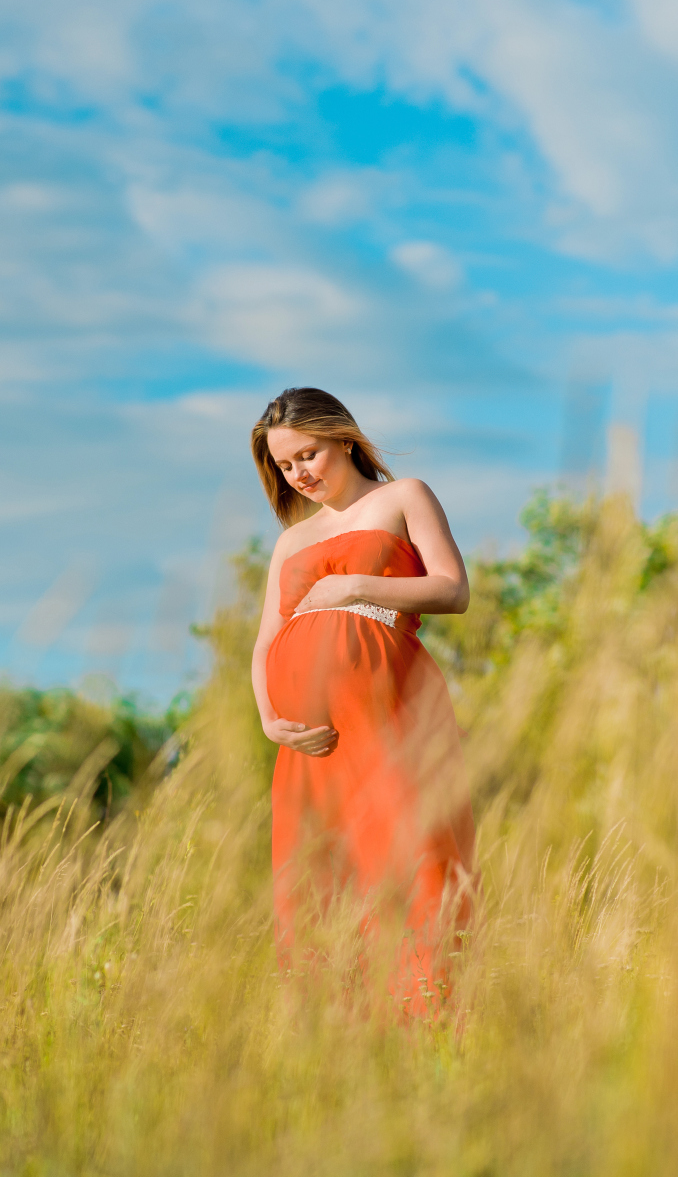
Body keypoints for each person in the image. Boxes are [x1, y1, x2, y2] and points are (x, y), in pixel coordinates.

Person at [250, 387, 476, 1016]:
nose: (300, 473)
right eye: (286, 465)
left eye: (309, 454)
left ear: (342, 437)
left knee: (409, 852)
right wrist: (271, 719)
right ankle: (340, 1040)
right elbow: (266, 638)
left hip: (391, 709)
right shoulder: (291, 542)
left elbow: (453, 590)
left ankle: (428, 1021)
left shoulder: (404, 497)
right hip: (311, 741)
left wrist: (351, 583)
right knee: (320, 874)